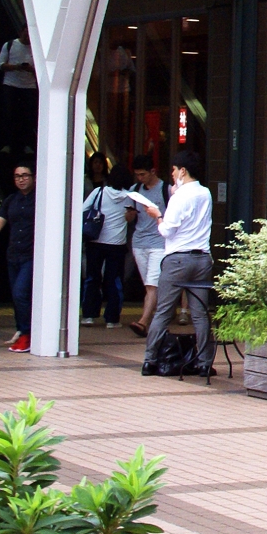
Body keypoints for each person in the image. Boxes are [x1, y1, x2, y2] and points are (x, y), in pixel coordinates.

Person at [136, 149, 214, 376]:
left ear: (182, 171)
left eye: (173, 169)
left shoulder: (179, 197)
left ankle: (150, 360)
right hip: (202, 258)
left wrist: (157, 215)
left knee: (163, 311)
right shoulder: (205, 193)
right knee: (200, 314)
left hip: (177, 259)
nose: (171, 174)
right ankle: (204, 363)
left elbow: (166, 230)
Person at [0, 164, 37, 351]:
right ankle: (21, 330)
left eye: (25, 175)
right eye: (17, 176)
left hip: (32, 254)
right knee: (16, 294)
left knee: (21, 293)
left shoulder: (40, 199)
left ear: (34, 177)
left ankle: (28, 333)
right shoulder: (11, 200)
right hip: (14, 254)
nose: (21, 179)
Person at [80, 154, 130, 328]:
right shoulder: (130, 197)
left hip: (95, 242)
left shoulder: (99, 192)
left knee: (92, 278)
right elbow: (132, 217)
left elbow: (83, 210)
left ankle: (88, 315)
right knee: (114, 280)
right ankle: (112, 319)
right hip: (117, 244)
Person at [126, 154, 168, 338]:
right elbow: (128, 217)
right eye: (137, 175)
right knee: (149, 285)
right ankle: (161, 316)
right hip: (139, 242)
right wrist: (131, 214)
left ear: (153, 171)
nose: (140, 178)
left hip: (159, 242)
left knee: (152, 284)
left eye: (143, 174)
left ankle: (143, 322)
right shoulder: (135, 190)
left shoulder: (166, 190)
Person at [0, 30, 36, 156]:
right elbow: (0, 64)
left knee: (28, 116)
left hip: (29, 86)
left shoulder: (36, 49)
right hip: (11, 84)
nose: (27, 37)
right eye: (26, 33)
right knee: (8, 114)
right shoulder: (10, 45)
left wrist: (30, 69)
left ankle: (27, 144)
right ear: (20, 32)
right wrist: (16, 67)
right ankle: (7, 143)